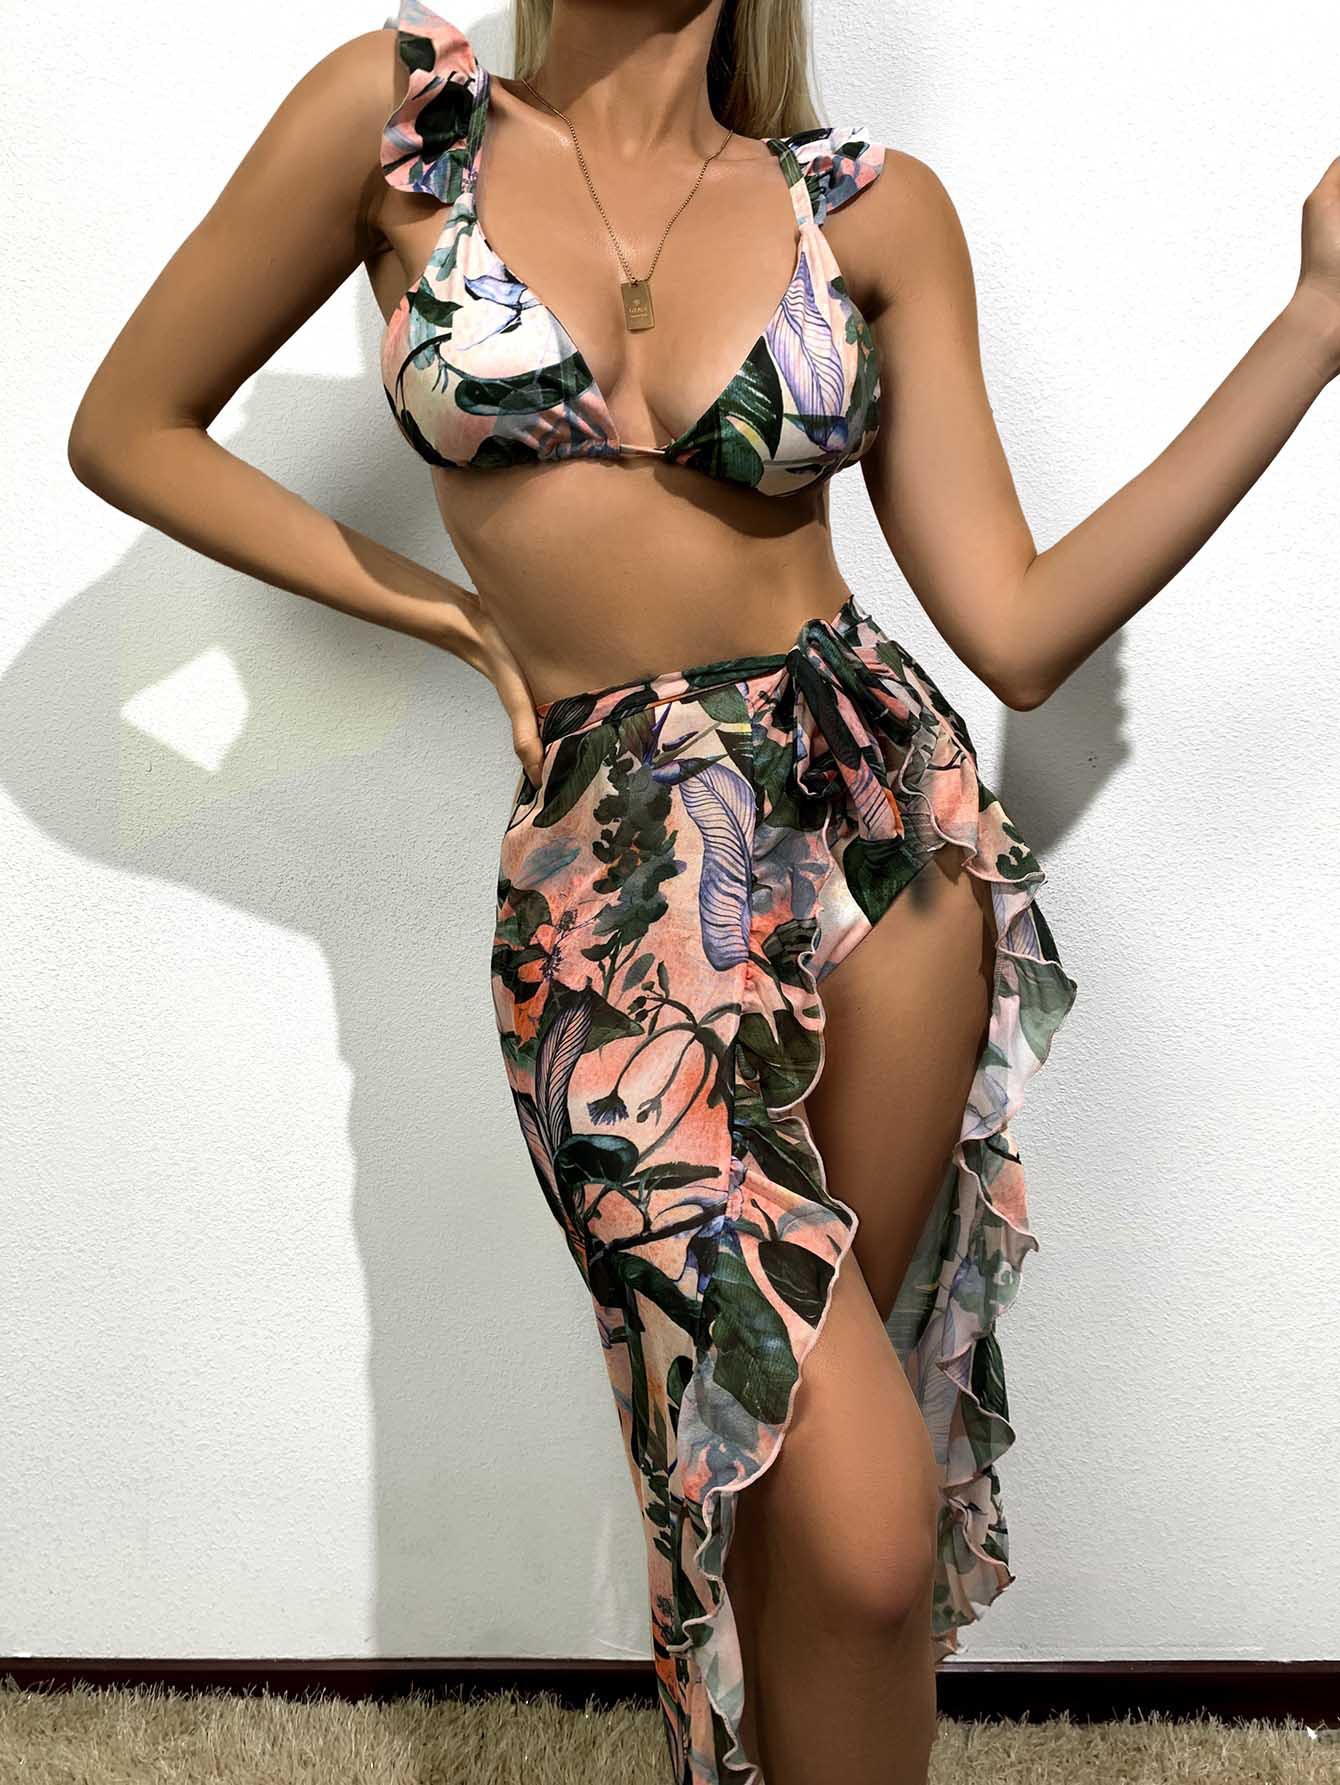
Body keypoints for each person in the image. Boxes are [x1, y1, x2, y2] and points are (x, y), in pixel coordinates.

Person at [65, 2, 1339, 1781]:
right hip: (611, 882)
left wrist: (1316, 321)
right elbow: (128, 424)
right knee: (850, 1499)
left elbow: (1021, 627)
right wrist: (445, 612)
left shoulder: (867, 207)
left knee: (825, 1526)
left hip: (881, 843)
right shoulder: (401, 122)